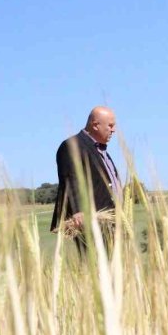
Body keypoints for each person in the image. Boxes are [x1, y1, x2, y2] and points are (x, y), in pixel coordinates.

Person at [51, 106, 122, 253]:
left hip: (111, 221)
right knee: (97, 267)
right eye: (110, 125)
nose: (114, 130)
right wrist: (79, 210)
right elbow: (71, 178)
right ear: (95, 125)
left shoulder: (101, 150)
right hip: (91, 221)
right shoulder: (73, 145)